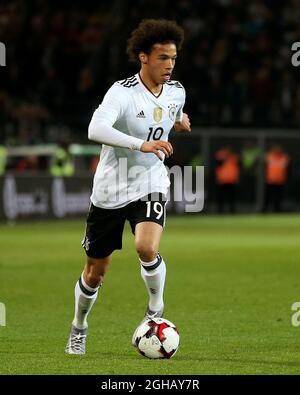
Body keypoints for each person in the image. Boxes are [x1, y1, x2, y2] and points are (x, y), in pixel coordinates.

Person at [65, 19, 191, 354]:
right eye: (162, 58)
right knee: (95, 273)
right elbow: (96, 129)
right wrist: (141, 144)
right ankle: (79, 326)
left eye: (173, 58)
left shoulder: (177, 91)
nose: (169, 65)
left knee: (146, 248)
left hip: (150, 181)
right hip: (110, 188)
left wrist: (178, 121)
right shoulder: (121, 92)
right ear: (143, 57)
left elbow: (168, 113)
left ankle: (155, 310)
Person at [263, 144, 290, 212]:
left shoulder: (284, 157)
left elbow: (288, 168)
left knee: (279, 197)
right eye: (275, 149)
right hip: (270, 180)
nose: (277, 150)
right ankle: (265, 209)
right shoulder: (269, 156)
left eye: (278, 149)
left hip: (280, 180)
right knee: (268, 196)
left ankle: (277, 209)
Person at [215, 145, 240, 213]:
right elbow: (218, 164)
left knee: (231, 198)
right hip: (222, 180)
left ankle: (232, 211)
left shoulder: (234, 157)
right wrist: (225, 156)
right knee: (221, 198)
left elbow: (238, 165)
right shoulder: (220, 156)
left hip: (232, 180)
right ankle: (220, 211)